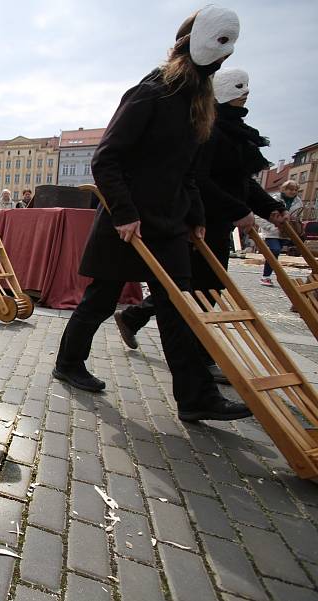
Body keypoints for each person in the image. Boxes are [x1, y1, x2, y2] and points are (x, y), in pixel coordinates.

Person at [53, 6, 252, 423]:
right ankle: (68, 363)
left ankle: (195, 398)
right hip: (128, 224)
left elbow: (189, 171)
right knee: (100, 301)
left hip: (169, 222)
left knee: (179, 308)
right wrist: (125, 213)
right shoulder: (151, 92)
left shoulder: (198, 103)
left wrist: (195, 215)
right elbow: (107, 158)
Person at [114, 67, 287, 383]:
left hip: (213, 220)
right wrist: (235, 210)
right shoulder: (209, 128)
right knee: (192, 290)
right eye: (238, 88)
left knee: (200, 290)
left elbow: (242, 181)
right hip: (201, 220)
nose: (245, 92)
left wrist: (270, 208)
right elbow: (198, 178)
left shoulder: (234, 131)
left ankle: (157, 331)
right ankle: (198, 362)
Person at [258, 180, 303, 286]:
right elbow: (260, 215)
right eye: (291, 189)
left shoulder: (298, 202)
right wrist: (271, 227)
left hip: (287, 233)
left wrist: (296, 228)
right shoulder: (274, 199)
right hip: (272, 231)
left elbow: (298, 217)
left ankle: (274, 275)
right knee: (275, 250)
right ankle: (266, 276)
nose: (293, 192)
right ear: (284, 189)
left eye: (295, 190)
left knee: (276, 254)